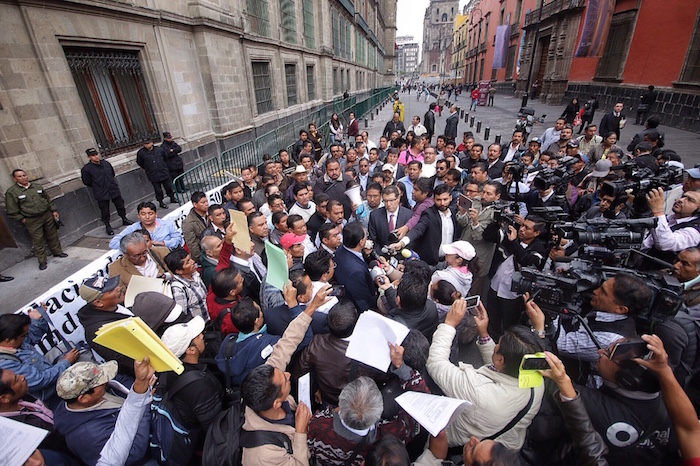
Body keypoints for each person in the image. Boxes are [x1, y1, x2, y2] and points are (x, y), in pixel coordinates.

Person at [427, 299, 544, 448]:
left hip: (463, 444)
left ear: (501, 359)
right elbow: (500, 365)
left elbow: (436, 363)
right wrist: (484, 334)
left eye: (497, 346)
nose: (494, 346)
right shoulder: (536, 379)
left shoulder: (477, 389)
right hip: (503, 446)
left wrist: (449, 325)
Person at [238, 286, 330, 465]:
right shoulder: (262, 456)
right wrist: (301, 432)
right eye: (285, 380)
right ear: (276, 403)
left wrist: (311, 308)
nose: (287, 374)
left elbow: (287, 343)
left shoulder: (268, 380)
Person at [307, 357, 429, 466]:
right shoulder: (392, 436)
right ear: (379, 412)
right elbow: (423, 401)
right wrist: (400, 366)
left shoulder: (318, 425)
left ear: (341, 402)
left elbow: (308, 448)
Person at [53, 360, 151, 465]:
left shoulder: (88, 393)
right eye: (101, 381)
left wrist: (141, 384)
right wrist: (144, 400)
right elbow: (134, 452)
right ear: (84, 398)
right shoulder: (89, 437)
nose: (106, 380)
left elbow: (118, 380)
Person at [159, 316, 223, 464]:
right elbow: (214, 427)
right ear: (190, 350)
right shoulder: (200, 387)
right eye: (198, 336)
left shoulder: (166, 370)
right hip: (199, 443)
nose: (202, 335)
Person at [0, 311, 79, 410]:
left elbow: (33, 336)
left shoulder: (14, 343)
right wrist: (66, 362)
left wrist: (37, 319)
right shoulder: (6, 364)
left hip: (58, 385)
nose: (25, 338)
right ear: (8, 340)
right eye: (23, 336)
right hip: (52, 399)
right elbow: (40, 380)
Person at [5, 169, 68, 270]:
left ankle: (57, 252)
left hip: (46, 214)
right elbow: (11, 209)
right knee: (38, 240)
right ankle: (42, 261)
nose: (23, 178)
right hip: (31, 219)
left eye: (24, 175)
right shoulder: (12, 192)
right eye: (19, 176)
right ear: (15, 179)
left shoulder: (37, 187)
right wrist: (22, 219)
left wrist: (53, 210)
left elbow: (47, 199)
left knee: (52, 235)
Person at [390, 184, 458, 266]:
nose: (442, 203)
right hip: (432, 263)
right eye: (438, 200)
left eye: (445, 199)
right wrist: (402, 243)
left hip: (450, 263)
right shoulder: (429, 214)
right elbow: (418, 229)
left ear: (450, 198)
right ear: (433, 199)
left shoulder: (454, 213)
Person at [80, 148, 134, 235]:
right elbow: (87, 181)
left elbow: (112, 174)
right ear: (89, 157)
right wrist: (97, 186)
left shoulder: (106, 163)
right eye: (93, 155)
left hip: (112, 188)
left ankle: (124, 218)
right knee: (104, 210)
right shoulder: (87, 169)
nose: (96, 157)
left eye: (96, 154)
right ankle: (107, 225)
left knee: (120, 204)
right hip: (101, 191)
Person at [334, 222, 380, 312]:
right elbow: (364, 301)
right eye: (365, 235)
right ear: (361, 242)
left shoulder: (340, 250)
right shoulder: (356, 272)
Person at [108, 201, 182, 250]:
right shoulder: (132, 228)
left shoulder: (166, 224)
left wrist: (163, 243)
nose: (147, 217)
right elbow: (113, 243)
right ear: (138, 216)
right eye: (143, 214)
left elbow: (178, 239)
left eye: (150, 213)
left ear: (156, 214)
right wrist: (137, 246)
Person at [165, 248, 209, 321]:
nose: (193, 262)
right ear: (179, 271)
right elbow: (182, 316)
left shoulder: (195, 275)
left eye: (190, 259)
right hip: (200, 327)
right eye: (187, 262)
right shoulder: (178, 289)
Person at [368, 185, 411, 255]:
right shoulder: (374, 216)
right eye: (385, 201)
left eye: (391, 200)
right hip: (382, 257)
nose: (388, 204)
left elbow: (410, 238)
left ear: (398, 199)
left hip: (402, 256)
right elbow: (373, 240)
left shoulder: (408, 215)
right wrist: (381, 256)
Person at [135, 136, 174, 209]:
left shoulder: (159, 150)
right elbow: (140, 162)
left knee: (168, 186)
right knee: (158, 190)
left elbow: (165, 158)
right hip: (153, 174)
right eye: (145, 144)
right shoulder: (141, 153)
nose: (147, 145)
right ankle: (161, 202)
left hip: (163, 171)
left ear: (152, 142)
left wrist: (164, 167)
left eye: (148, 143)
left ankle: (172, 197)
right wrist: (148, 168)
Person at [181, 191, 209, 262]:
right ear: (195, 204)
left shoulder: (210, 214)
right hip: (204, 254)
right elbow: (192, 244)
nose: (206, 204)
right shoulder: (188, 222)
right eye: (203, 202)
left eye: (206, 201)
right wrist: (201, 259)